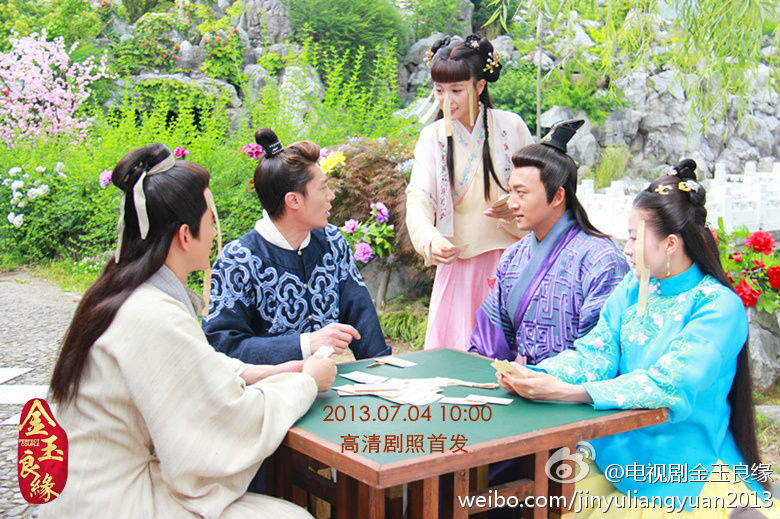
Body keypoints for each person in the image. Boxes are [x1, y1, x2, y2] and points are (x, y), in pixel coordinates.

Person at [42, 144, 336, 519]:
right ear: (185, 235)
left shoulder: (122, 293)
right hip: (116, 501)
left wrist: (275, 371)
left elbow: (198, 364)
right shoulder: (152, 314)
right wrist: (306, 382)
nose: (214, 232)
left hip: (87, 487)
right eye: (211, 220)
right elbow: (224, 421)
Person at [496, 159, 780, 517]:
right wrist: (538, 375)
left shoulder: (717, 306)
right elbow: (595, 353)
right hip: (617, 453)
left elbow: (671, 383)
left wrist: (570, 392)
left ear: (671, 243)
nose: (626, 248)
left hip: (686, 465)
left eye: (634, 237)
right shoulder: (634, 287)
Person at [203, 128, 391, 364]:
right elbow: (223, 346)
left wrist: (384, 368)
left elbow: (359, 311)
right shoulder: (238, 260)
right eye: (323, 188)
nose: (331, 196)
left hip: (325, 380)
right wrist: (305, 344)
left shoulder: (332, 241)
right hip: (266, 386)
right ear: (293, 200)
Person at [405, 34, 533, 351]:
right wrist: (430, 239)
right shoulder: (432, 137)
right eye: (439, 90)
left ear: (479, 86)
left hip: (511, 259)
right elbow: (419, 198)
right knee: (456, 354)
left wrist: (519, 202)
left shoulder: (511, 126)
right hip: (458, 262)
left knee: (509, 357)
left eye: (456, 90)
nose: (446, 100)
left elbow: (538, 185)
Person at [470, 120, 629, 365]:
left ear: (557, 196)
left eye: (521, 193)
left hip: (577, 385)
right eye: (511, 192)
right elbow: (488, 344)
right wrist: (474, 370)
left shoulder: (602, 261)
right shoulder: (513, 256)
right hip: (528, 381)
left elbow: (601, 353)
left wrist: (544, 379)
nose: (511, 203)